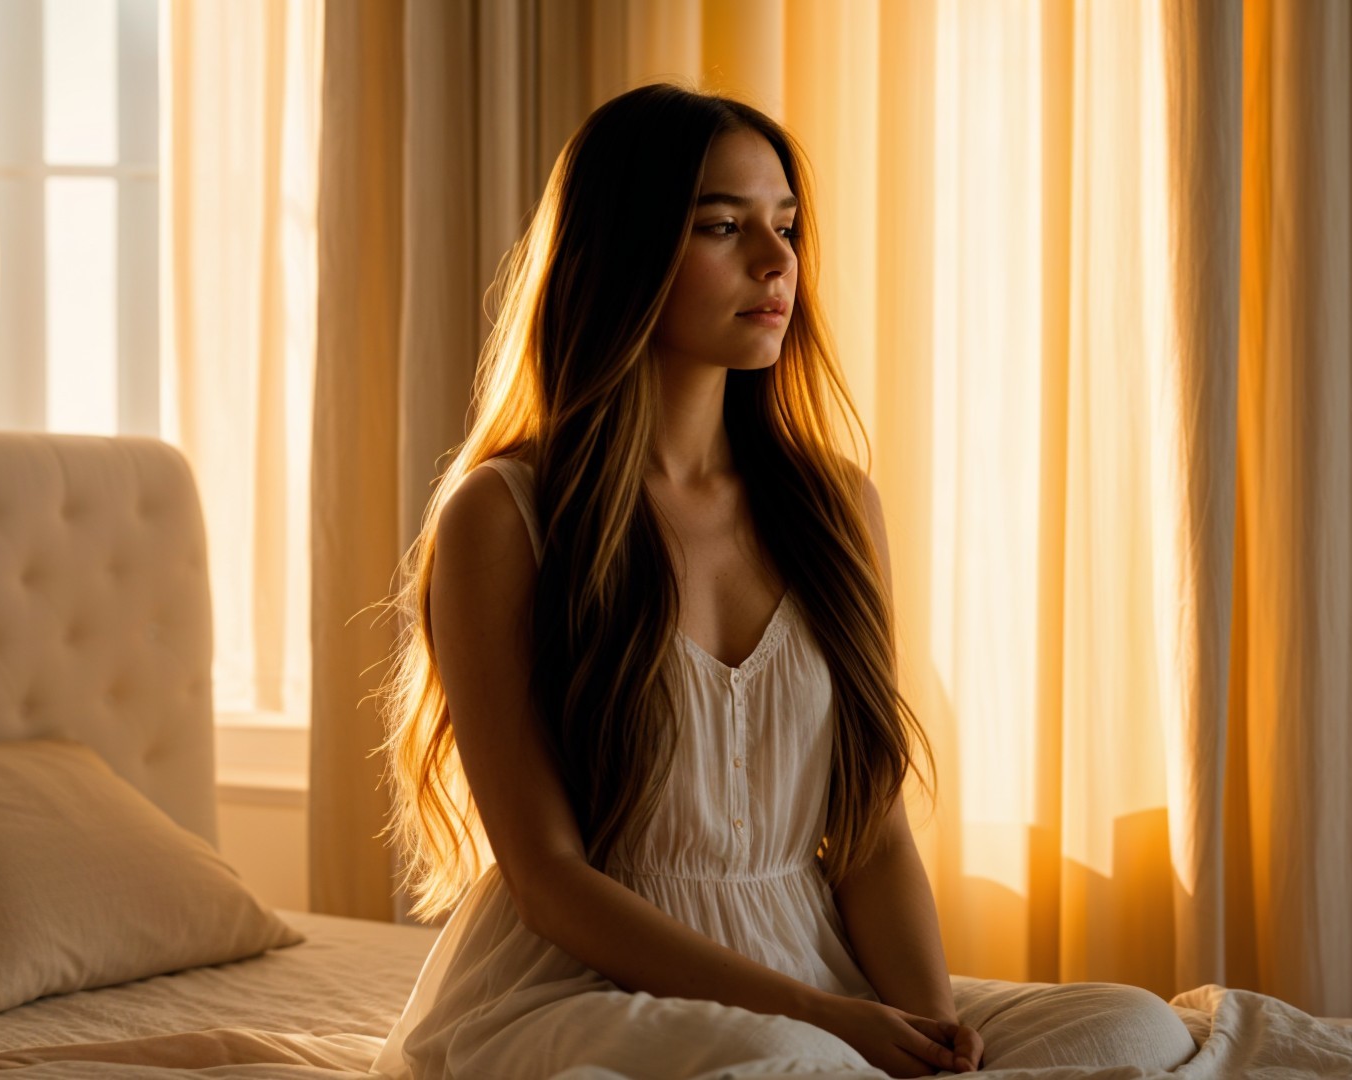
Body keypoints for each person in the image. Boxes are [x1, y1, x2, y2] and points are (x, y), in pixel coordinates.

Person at [367, 82, 1183, 1079]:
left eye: (784, 225)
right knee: (795, 1067)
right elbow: (548, 881)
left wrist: (923, 1030)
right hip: (585, 986)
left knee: (1135, 1026)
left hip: (811, 971)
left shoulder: (834, 504)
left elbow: (872, 834)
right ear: (622, 253)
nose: (775, 260)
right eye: (721, 225)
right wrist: (822, 1019)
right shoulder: (505, 518)